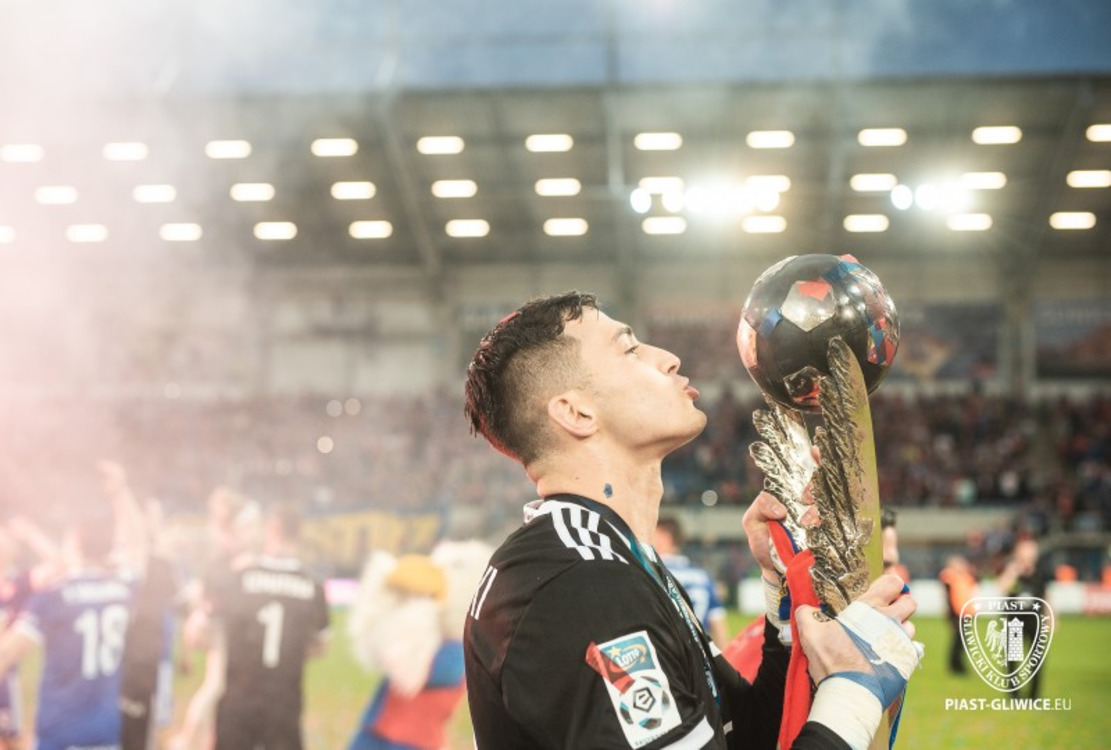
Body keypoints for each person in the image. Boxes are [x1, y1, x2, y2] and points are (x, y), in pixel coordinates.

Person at [462, 291, 922, 749]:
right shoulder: (580, 586)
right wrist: (853, 691)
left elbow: (742, 737)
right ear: (576, 412)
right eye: (630, 349)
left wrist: (785, 598)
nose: (669, 359)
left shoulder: (614, 559)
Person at [0, 462, 145, 750]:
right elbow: (139, 548)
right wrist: (121, 493)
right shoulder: (123, 587)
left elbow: (5, 655)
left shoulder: (57, 597)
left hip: (61, 735)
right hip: (105, 734)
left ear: (76, 540)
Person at [203, 503, 329, 750]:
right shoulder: (313, 585)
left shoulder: (240, 576)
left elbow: (204, 632)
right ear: (300, 533)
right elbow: (320, 647)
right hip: (284, 701)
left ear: (272, 528)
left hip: (239, 698)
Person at [346, 540, 491, 750]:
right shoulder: (434, 636)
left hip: (414, 742)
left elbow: (405, 666)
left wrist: (419, 613)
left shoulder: (459, 652)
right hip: (375, 730)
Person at [652, 516, 729, 650]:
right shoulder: (702, 575)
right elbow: (718, 624)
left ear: (664, 538)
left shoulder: (654, 572)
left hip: (667, 652)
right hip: (699, 652)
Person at [996, 536, 1048, 699]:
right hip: (1014, 621)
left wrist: (1051, 618)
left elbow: (1045, 596)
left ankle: (1033, 696)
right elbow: (1002, 587)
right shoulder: (1013, 570)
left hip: (1035, 621)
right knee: (1012, 659)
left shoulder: (1040, 572)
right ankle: (1014, 694)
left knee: (1036, 660)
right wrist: (1014, 571)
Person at [938, 555, 976, 675]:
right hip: (956, 612)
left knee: (963, 640)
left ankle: (958, 664)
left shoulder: (967, 578)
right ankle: (956, 665)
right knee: (958, 640)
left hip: (967, 612)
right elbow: (947, 595)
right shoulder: (949, 578)